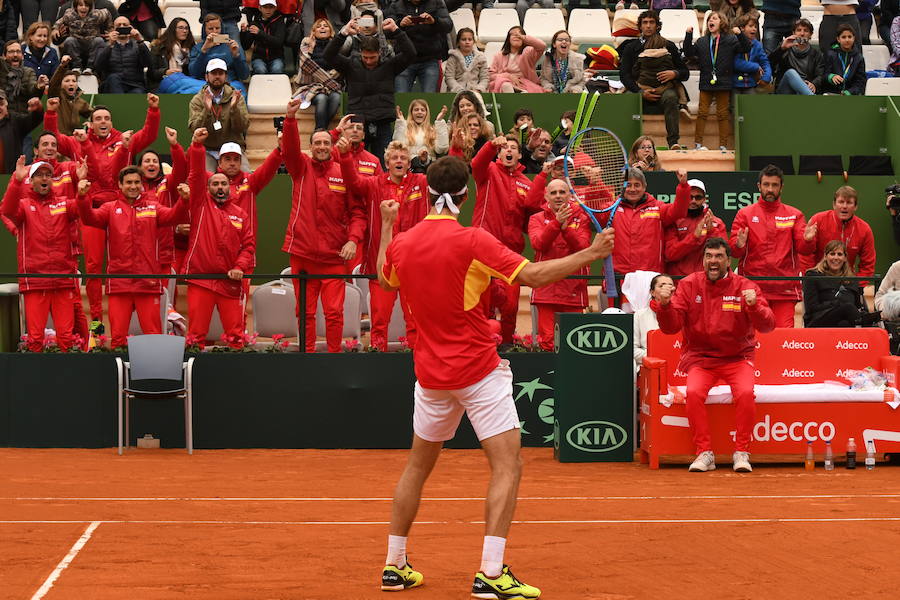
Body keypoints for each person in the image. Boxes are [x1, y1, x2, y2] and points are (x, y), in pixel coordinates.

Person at [377, 154, 614, 598]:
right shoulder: (473, 240)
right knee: (508, 464)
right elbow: (536, 275)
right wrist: (593, 253)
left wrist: (388, 224)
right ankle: (490, 571)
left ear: (427, 194)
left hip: (430, 376)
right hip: (478, 372)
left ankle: (394, 565)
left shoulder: (403, 243)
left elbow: (385, 281)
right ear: (465, 196)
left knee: (417, 466)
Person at [653, 237, 775, 472]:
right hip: (701, 358)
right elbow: (670, 328)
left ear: (728, 260)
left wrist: (754, 307)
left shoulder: (745, 287)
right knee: (694, 393)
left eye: (719, 256)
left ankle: (741, 452)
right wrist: (665, 306)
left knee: (746, 393)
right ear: (703, 260)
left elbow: (768, 325)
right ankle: (704, 453)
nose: (713, 261)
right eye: (709, 256)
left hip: (738, 357)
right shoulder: (689, 285)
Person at [44, 93, 161, 332]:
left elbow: (149, 134)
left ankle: (134, 324)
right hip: (93, 213)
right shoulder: (78, 141)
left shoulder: (123, 141)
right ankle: (97, 326)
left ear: (111, 121)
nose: (103, 121)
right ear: (91, 123)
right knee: (94, 267)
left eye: (107, 117)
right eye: (98, 118)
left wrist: (153, 110)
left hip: (122, 211)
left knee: (129, 261)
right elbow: (54, 139)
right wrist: (51, 114)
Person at [280, 99, 366, 353]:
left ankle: (334, 357)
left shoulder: (343, 172)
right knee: (304, 312)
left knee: (334, 312)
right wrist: (290, 119)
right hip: (303, 254)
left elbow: (358, 212)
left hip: (333, 256)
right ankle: (306, 359)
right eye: (317, 143)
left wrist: (353, 240)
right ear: (310, 147)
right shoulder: (300, 168)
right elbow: (290, 149)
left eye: (326, 143)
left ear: (332, 147)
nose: (321, 146)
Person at [76, 162, 188, 349]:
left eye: (137, 182)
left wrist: (184, 201)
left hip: (148, 282)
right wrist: (81, 197)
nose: (133, 186)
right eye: (128, 182)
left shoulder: (153, 207)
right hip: (120, 283)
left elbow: (172, 217)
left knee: (153, 335)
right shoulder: (110, 208)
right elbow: (89, 218)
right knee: (118, 338)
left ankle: (155, 375)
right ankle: (121, 375)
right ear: (120, 185)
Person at [340, 138, 428, 350]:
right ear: (386, 162)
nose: (399, 160)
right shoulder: (373, 184)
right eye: (394, 157)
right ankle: (379, 360)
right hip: (382, 265)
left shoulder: (421, 182)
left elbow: (445, 179)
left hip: (412, 265)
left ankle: (417, 363)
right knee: (379, 322)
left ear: (409, 163)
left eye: (403, 158)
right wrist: (344, 156)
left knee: (415, 321)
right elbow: (353, 182)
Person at [183, 128, 256, 348]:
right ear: (208, 188)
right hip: (201, 280)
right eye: (215, 183)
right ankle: (194, 377)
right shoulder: (200, 205)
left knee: (235, 335)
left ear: (230, 188)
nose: (220, 187)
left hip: (229, 281)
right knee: (196, 335)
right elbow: (196, 174)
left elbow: (248, 246)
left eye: (224, 184)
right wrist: (197, 146)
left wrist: (240, 266)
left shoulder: (240, 214)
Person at [1, 157, 81, 352]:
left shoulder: (64, 203)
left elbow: (83, 208)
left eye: (48, 175)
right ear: (31, 180)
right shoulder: (23, 206)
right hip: (35, 281)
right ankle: (34, 381)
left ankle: (67, 378)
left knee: (66, 338)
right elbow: (7, 210)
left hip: (63, 280)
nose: (45, 178)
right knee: (35, 338)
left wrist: (81, 183)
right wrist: (16, 181)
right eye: (39, 175)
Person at [471, 135, 544, 345]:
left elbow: (532, 217)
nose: (508, 150)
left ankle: (507, 346)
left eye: (513, 147)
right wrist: (491, 145)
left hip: (510, 253)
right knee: (483, 306)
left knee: (511, 307)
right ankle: (482, 347)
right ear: (500, 153)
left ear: (520, 155)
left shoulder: (526, 183)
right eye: (505, 148)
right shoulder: (489, 171)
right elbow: (477, 163)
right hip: (483, 249)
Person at [729, 163, 816, 327]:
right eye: (766, 184)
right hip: (753, 289)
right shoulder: (744, 214)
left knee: (782, 340)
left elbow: (805, 250)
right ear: (758, 186)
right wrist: (739, 245)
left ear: (781, 187)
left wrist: (808, 240)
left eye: (774, 185)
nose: (770, 189)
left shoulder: (794, 215)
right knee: (753, 338)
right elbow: (734, 252)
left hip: (784, 290)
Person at [325, 17, 416, 165]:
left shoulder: (390, 65)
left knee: (384, 163)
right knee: (355, 164)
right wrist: (343, 33)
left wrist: (397, 31)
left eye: (372, 57)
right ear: (360, 52)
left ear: (379, 52)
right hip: (358, 123)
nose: (368, 61)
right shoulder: (350, 65)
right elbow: (328, 55)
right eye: (365, 57)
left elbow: (411, 54)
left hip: (383, 122)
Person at [527, 172, 591, 351]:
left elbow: (584, 249)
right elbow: (538, 243)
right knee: (547, 342)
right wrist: (556, 224)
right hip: (546, 289)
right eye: (553, 193)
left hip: (573, 288)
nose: (558, 196)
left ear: (570, 195)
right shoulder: (536, 219)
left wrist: (566, 230)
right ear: (546, 196)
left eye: (562, 192)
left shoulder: (582, 218)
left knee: (574, 342)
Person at [619, 11, 689, 149]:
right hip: (638, 89)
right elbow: (624, 75)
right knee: (627, 99)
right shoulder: (630, 47)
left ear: (657, 26)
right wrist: (639, 91)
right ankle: (627, 143)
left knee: (671, 97)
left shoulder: (669, 45)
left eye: (652, 22)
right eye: (645, 23)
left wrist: (674, 73)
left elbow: (685, 72)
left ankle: (673, 142)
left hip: (664, 90)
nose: (648, 26)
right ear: (640, 26)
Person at [608, 167, 690, 283]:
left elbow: (679, 210)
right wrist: (595, 183)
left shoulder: (657, 207)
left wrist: (683, 186)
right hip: (619, 278)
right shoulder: (611, 208)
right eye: (628, 185)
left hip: (650, 278)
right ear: (622, 187)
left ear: (644, 187)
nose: (632, 189)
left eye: (637, 185)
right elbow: (594, 212)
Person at [684, 13, 749, 151]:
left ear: (722, 22)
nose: (710, 21)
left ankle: (723, 145)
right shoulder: (702, 41)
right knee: (702, 113)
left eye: (714, 18)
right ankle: (698, 144)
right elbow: (689, 53)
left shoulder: (731, 40)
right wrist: (688, 35)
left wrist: (740, 34)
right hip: (706, 81)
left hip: (724, 82)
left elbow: (746, 48)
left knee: (723, 114)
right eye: (709, 19)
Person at [188, 58, 251, 172]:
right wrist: (206, 110)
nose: (217, 76)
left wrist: (234, 109)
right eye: (214, 73)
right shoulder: (197, 100)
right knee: (203, 178)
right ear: (207, 77)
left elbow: (242, 127)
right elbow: (195, 129)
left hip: (233, 148)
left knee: (247, 178)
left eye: (221, 73)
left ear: (225, 77)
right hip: (208, 150)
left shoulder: (236, 96)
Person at [801, 185, 875, 281]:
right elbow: (806, 255)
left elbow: (868, 265)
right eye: (841, 202)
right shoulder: (818, 220)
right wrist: (811, 279)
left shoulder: (864, 229)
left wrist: (856, 285)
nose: (844, 206)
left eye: (849, 203)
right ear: (834, 205)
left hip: (848, 282)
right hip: (818, 279)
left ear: (855, 206)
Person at [384, 0, 452, 93]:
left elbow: (448, 26)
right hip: (404, 60)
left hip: (430, 59)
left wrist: (434, 21)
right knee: (401, 99)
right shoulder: (396, 4)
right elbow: (386, 32)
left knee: (430, 100)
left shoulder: (437, 2)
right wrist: (400, 24)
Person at [664, 178, 728, 276]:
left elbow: (724, 255)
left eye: (698, 197)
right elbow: (670, 254)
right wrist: (694, 237)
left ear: (704, 199)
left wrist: (712, 232)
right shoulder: (674, 221)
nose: (693, 201)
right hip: (679, 281)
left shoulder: (716, 222)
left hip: (706, 281)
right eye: (690, 197)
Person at [802, 240, 867, 328]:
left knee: (845, 324)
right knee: (848, 308)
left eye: (839, 254)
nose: (836, 258)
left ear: (845, 258)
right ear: (825, 256)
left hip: (842, 322)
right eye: (832, 254)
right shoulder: (813, 276)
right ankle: (867, 338)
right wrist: (837, 304)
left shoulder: (852, 279)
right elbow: (811, 308)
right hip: (818, 320)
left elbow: (857, 306)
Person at [293, 19, 342, 130]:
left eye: (326, 26)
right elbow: (305, 64)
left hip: (331, 86)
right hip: (311, 85)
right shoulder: (307, 42)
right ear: (313, 31)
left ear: (331, 31)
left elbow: (339, 67)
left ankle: (320, 130)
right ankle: (320, 130)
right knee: (322, 98)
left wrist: (325, 79)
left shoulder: (336, 44)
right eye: (319, 26)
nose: (323, 28)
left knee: (336, 98)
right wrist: (310, 49)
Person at [188, 12, 250, 96]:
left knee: (238, 93)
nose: (215, 32)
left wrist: (236, 56)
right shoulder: (198, 48)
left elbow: (244, 75)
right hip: (204, 84)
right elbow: (193, 73)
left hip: (230, 83)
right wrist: (203, 51)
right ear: (204, 30)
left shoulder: (231, 46)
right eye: (210, 29)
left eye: (217, 28)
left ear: (222, 28)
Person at [95, 15, 152, 93]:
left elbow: (148, 63)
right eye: (118, 25)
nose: (122, 27)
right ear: (113, 29)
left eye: (125, 25)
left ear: (131, 28)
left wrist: (140, 40)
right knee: (113, 77)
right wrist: (110, 45)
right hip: (112, 85)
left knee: (138, 93)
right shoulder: (105, 45)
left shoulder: (138, 45)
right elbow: (98, 67)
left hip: (134, 85)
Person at [53, 0, 113, 74]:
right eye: (81, 5)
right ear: (76, 7)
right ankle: (77, 67)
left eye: (86, 6)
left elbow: (107, 13)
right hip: (76, 43)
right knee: (69, 40)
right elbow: (60, 21)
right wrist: (55, 29)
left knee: (99, 40)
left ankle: (90, 68)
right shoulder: (69, 14)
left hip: (91, 42)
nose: (83, 8)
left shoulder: (97, 14)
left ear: (90, 7)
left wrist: (110, 29)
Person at [770, 18, 825, 95]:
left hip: (805, 88)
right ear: (793, 33)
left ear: (810, 35)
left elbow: (820, 75)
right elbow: (769, 64)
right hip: (786, 89)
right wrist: (781, 49)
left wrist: (814, 84)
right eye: (799, 30)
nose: (802, 34)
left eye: (806, 31)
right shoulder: (785, 49)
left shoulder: (816, 54)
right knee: (791, 72)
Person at [392, 99, 449, 171]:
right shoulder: (405, 127)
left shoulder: (431, 129)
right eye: (416, 110)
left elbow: (441, 149)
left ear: (426, 113)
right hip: (409, 169)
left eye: (422, 110)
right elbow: (398, 147)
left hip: (429, 169)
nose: (419, 112)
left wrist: (439, 121)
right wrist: (401, 123)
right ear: (411, 112)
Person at [633, 273, 674, 372]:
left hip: (678, 367)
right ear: (652, 292)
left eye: (670, 286)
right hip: (650, 369)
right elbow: (632, 350)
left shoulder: (682, 314)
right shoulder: (639, 315)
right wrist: (656, 355)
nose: (667, 289)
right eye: (661, 286)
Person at [489, 26, 546, 93]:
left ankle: (519, 91)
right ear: (508, 39)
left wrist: (524, 37)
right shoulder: (499, 56)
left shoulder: (528, 52)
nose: (516, 36)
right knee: (505, 84)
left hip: (524, 84)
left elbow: (542, 46)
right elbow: (491, 75)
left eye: (519, 34)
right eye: (513, 34)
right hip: (503, 83)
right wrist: (508, 76)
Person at [149, 17, 197, 94]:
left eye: (186, 28)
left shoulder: (191, 48)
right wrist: (165, 72)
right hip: (163, 82)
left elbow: (194, 71)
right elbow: (151, 73)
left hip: (184, 81)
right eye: (180, 28)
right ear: (173, 30)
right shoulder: (158, 47)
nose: (184, 31)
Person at [45, 59, 93, 136]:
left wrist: (91, 123)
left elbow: (93, 114)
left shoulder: (79, 101)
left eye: (74, 81)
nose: (71, 84)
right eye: (67, 81)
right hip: (57, 139)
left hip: (73, 141)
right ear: (60, 84)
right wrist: (62, 66)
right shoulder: (57, 96)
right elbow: (53, 84)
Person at [240, 0, 287, 75]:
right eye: (265, 7)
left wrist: (260, 33)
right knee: (260, 70)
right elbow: (245, 46)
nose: (268, 10)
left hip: (276, 57)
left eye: (271, 7)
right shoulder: (255, 22)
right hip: (259, 58)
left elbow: (278, 42)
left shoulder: (280, 21)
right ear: (260, 8)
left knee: (277, 69)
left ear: (275, 8)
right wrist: (244, 32)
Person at [0, 94, 43, 174]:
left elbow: (34, 120)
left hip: (11, 177)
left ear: (6, 105)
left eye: (1, 104)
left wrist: (37, 109)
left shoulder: (15, 120)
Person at [331, 113, 384, 177]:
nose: (355, 130)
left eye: (359, 128)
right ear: (342, 132)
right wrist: (336, 131)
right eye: (350, 127)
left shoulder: (374, 160)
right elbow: (318, 145)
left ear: (363, 135)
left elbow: (382, 185)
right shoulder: (332, 154)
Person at [732, 13, 772, 95]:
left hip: (751, 84)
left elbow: (764, 62)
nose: (754, 29)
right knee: (735, 106)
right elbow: (736, 63)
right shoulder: (735, 43)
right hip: (735, 84)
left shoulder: (757, 45)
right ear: (742, 28)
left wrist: (766, 77)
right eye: (750, 26)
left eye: (755, 27)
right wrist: (756, 67)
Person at [823, 23, 867, 95]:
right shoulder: (830, 54)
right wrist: (831, 77)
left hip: (850, 95)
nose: (847, 40)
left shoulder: (859, 58)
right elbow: (823, 74)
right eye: (843, 37)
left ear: (854, 38)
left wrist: (849, 92)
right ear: (838, 39)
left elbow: (860, 82)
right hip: (831, 93)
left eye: (849, 37)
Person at [1, 41, 43, 115]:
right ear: (4, 56)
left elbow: (33, 91)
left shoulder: (29, 72)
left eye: (18, 51)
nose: (15, 55)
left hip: (23, 116)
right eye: (11, 52)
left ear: (22, 56)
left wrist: (38, 86)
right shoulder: (1, 71)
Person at [444, 28, 489, 93]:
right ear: (458, 42)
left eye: (470, 39)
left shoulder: (481, 58)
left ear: (474, 42)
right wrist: (459, 90)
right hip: (456, 93)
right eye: (463, 39)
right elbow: (449, 78)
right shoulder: (452, 58)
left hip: (476, 92)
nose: (467, 42)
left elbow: (484, 78)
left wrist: (478, 89)